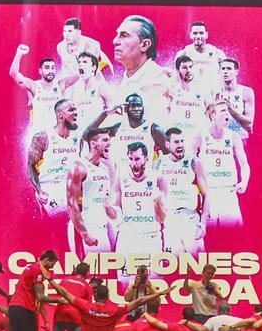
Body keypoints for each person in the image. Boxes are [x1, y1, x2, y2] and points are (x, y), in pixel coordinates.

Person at [28, 99, 83, 229]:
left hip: (70, 190)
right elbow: (30, 165)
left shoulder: (77, 137)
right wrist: (39, 190)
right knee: (60, 221)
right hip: (50, 189)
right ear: (60, 115)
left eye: (76, 109)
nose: (75, 113)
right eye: (71, 110)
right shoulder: (43, 137)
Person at [194, 101, 250, 229]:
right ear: (213, 116)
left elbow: (244, 164)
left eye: (227, 111)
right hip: (209, 193)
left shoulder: (233, 137)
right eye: (223, 111)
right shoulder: (200, 136)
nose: (227, 114)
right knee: (211, 238)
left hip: (228, 191)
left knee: (235, 238)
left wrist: (244, 182)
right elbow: (190, 163)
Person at [107, 141, 167, 257]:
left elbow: (164, 218)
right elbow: (116, 212)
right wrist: (107, 208)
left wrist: (157, 203)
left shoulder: (158, 179)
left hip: (151, 236)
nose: (134, 163)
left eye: (138, 159)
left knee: (153, 275)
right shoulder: (121, 179)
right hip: (127, 236)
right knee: (126, 274)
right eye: (131, 159)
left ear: (147, 159)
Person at [6, 251, 62, 331]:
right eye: (53, 263)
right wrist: (59, 300)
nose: (53, 266)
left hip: (15, 308)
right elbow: (41, 297)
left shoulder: (30, 267)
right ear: (47, 260)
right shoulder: (37, 270)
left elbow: (39, 300)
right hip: (24, 310)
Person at [67, 126, 118, 256]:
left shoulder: (104, 169)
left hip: (101, 227)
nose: (109, 143)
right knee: (88, 272)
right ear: (93, 144)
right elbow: (72, 204)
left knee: (104, 272)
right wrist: (84, 233)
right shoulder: (79, 166)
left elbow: (104, 202)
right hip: (85, 227)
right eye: (105, 140)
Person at [156, 127, 208, 255]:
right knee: (172, 266)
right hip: (169, 219)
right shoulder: (158, 163)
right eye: (176, 142)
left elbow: (207, 195)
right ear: (167, 144)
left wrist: (203, 223)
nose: (180, 145)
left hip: (189, 217)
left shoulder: (193, 162)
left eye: (182, 141)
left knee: (197, 265)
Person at [85, 94, 167, 171]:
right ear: (125, 109)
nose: (137, 109)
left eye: (139, 105)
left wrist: (157, 173)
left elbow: (169, 157)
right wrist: (105, 113)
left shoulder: (154, 129)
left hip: (145, 182)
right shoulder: (118, 128)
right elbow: (86, 135)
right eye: (133, 106)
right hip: (122, 182)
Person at [11, 45, 79, 136]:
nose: (50, 70)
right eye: (47, 68)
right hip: (38, 135)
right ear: (40, 71)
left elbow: (79, 75)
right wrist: (19, 54)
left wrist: (77, 56)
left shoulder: (60, 85)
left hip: (56, 135)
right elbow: (13, 73)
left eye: (53, 68)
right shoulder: (33, 86)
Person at [111, 15, 169, 113]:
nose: (115, 41)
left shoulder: (158, 81)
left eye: (124, 36)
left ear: (145, 45)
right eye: (117, 35)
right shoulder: (127, 78)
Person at [66, 52, 114, 133]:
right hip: (79, 135)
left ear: (93, 68)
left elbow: (113, 114)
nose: (80, 64)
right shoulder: (74, 91)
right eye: (79, 62)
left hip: (96, 136)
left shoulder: (102, 88)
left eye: (85, 62)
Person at [165, 58, 210, 137]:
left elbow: (211, 113)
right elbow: (165, 112)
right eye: (184, 67)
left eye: (191, 67)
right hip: (177, 137)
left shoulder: (202, 89)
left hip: (197, 136)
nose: (188, 70)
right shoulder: (172, 88)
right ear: (177, 70)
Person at [176, 21, 225, 90]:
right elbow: (177, 77)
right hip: (191, 95)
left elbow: (226, 75)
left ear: (206, 35)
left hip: (212, 94)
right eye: (195, 33)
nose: (198, 36)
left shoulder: (218, 54)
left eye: (201, 33)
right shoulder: (183, 54)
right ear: (191, 35)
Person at [216, 58, 255, 140]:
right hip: (221, 140)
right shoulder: (215, 92)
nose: (225, 71)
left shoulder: (246, 91)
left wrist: (231, 110)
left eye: (229, 69)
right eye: (223, 69)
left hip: (240, 138)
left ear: (236, 72)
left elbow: (249, 122)